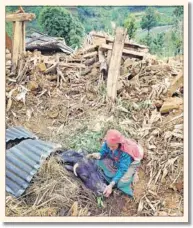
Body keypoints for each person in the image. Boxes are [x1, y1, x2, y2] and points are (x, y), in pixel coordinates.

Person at [87, 129, 144, 198]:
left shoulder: (126, 152)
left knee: (121, 183)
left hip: (133, 160)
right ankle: (116, 163)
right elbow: (104, 151)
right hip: (119, 158)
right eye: (109, 146)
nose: (110, 148)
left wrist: (111, 185)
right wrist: (99, 155)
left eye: (113, 147)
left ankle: (134, 172)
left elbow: (122, 169)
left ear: (119, 144)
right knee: (99, 162)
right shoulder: (108, 143)